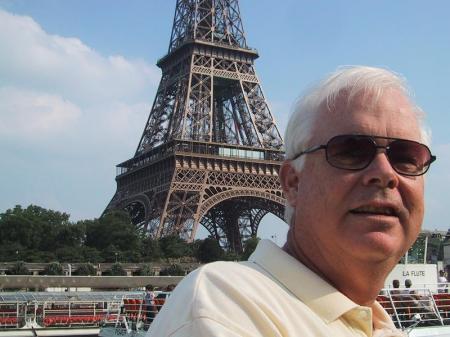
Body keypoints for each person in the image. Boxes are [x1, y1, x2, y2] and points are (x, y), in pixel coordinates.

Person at [146, 66, 436, 337]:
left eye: (406, 157)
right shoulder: (220, 305)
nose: (385, 173)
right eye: (351, 151)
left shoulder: (380, 323)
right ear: (293, 182)